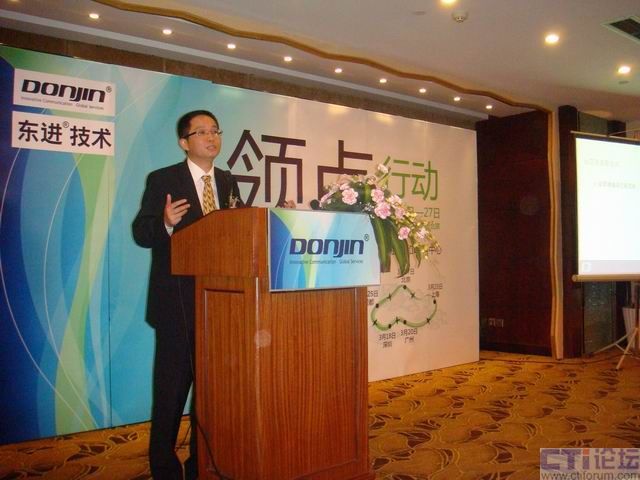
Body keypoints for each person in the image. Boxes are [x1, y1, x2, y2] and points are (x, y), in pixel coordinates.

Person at [132, 109, 243, 480]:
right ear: (184, 142)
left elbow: (236, 232)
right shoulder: (163, 179)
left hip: (219, 305)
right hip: (176, 306)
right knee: (170, 395)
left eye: (215, 130)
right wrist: (165, 222)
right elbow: (141, 232)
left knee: (209, 398)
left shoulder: (227, 181)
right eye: (202, 132)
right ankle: (164, 469)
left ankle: (201, 467)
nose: (211, 137)